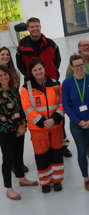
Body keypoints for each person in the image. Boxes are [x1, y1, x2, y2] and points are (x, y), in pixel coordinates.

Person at [16, 17, 72, 158]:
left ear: (40, 27)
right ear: (28, 29)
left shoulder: (50, 44)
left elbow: (56, 61)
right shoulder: (22, 45)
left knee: (57, 113)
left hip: (51, 83)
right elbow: (21, 65)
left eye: (37, 26)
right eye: (32, 27)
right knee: (37, 112)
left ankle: (62, 144)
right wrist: (32, 77)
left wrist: (50, 75)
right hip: (33, 86)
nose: (35, 29)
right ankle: (44, 143)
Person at [20, 58, 65, 193]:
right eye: (35, 70)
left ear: (44, 69)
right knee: (41, 156)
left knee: (57, 153)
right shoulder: (26, 88)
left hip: (55, 126)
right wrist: (42, 122)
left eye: (40, 69)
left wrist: (55, 119)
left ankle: (57, 180)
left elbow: (62, 103)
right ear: (31, 72)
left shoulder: (56, 84)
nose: (38, 72)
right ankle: (45, 182)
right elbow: (27, 108)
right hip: (38, 130)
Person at [62, 54, 89, 191]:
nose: (79, 68)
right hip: (77, 125)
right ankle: (86, 178)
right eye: (76, 66)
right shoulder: (67, 83)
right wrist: (78, 121)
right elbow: (66, 105)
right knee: (81, 151)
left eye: (81, 65)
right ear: (72, 67)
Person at [0, 67, 38, 200]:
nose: (4, 77)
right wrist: (16, 128)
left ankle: (22, 178)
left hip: (19, 129)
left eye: (5, 74)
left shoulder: (14, 90)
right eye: (0, 76)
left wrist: (23, 124)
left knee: (18, 155)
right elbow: (2, 117)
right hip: (6, 132)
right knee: (8, 159)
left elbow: (21, 108)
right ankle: (9, 188)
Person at [1, 46, 29, 173]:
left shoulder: (15, 72)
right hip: (3, 115)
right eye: (2, 54)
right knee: (8, 144)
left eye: (7, 54)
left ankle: (19, 165)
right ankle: (11, 165)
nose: (5, 57)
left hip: (16, 109)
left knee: (19, 140)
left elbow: (17, 92)